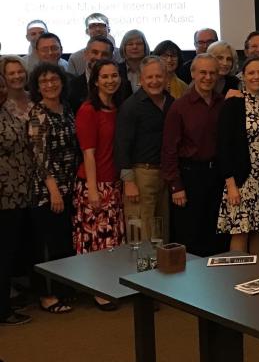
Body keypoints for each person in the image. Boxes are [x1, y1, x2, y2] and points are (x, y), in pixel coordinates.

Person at [161, 54, 227, 257]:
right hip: (190, 177)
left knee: (216, 234)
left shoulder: (224, 104)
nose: (208, 77)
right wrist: (176, 186)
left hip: (217, 176)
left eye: (212, 73)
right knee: (190, 236)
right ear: (193, 74)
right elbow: (169, 150)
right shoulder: (179, 107)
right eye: (203, 73)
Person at [27, 63, 80, 315]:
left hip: (68, 185)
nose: (50, 84)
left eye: (54, 79)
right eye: (43, 81)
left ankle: (64, 289)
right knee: (47, 245)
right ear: (37, 87)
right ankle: (47, 295)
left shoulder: (67, 109)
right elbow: (39, 156)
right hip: (47, 191)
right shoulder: (38, 114)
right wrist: (53, 190)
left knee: (62, 242)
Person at [74, 59, 125, 310]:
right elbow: (88, 153)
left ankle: (109, 283)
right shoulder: (87, 110)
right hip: (94, 184)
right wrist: (93, 190)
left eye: (114, 75)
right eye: (105, 77)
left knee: (112, 240)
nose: (110, 80)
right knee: (96, 240)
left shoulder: (117, 106)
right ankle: (97, 289)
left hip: (114, 182)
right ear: (95, 81)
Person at [217, 57, 259, 256]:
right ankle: (237, 281)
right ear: (243, 76)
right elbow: (224, 146)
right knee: (240, 231)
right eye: (251, 73)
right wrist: (231, 185)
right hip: (242, 180)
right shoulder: (234, 104)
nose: (256, 77)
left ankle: (256, 280)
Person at [114, 57, 174, 245]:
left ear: (166, 78)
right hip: (141, 175)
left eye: (159, 76)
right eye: (149, 77)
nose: (154, 81)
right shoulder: (131, 106)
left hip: (163, 175)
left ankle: (161, 272)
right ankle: (141, 273)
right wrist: (129, 181)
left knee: (160, 230)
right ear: (141, 78)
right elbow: (122, 145)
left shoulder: (171, 103)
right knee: (141, 232)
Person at [0, 74, 34, 326]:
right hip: (3, 195)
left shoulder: (6, 111)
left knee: (8, 252)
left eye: (1, 85)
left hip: (17, 192)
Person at [67, 36, 132, 113]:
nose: (99, 57)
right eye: (95, 52)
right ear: (85, 54)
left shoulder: (124, 85)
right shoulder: (71, 87)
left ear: (111, 58)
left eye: (104, 54)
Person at [0, 56, 33, 121]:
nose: (17, 76)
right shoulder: (1, 104)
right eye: (11, 73)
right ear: (3, 77)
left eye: (20, 72)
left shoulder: (37, 97)